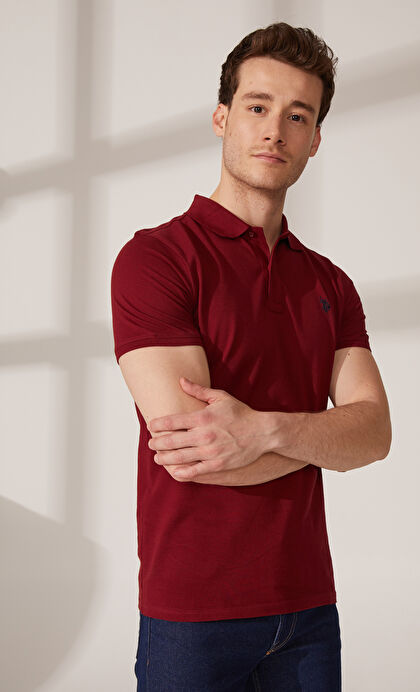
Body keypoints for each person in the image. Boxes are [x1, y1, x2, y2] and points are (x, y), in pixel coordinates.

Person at [110, 20, 391, 692]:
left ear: (315, 138)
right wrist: (326, 439)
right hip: (193, 612)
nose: (275, 132)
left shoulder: (329, 283)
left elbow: (375, 433)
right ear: (222, 117)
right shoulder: (156, 259)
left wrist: (262, 429)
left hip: (308, 609)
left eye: (298, 116)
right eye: (257, 107)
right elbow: (194, 450)